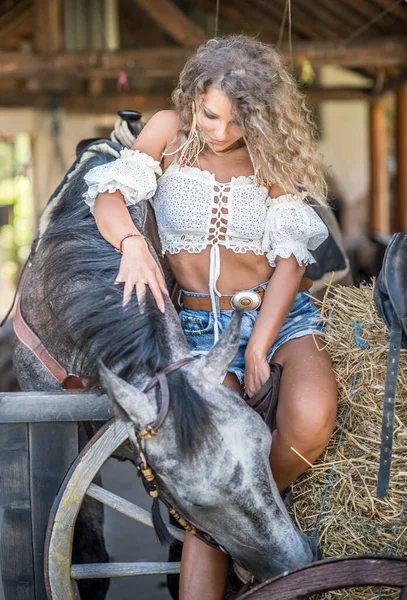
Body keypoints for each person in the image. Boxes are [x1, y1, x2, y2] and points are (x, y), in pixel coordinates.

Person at [83, 35, 337, 600]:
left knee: (312, 418)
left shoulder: (271, 155)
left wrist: (257, 343)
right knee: (212, 451)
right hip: (195, 327)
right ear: (195, 95)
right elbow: (107, 197)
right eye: (212, 114)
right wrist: (129, 242)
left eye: (238, 122)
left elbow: (292, 259)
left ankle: (230, 524)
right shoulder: (168, 131)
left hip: (278, 313)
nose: (221, 131)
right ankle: (237, 527)